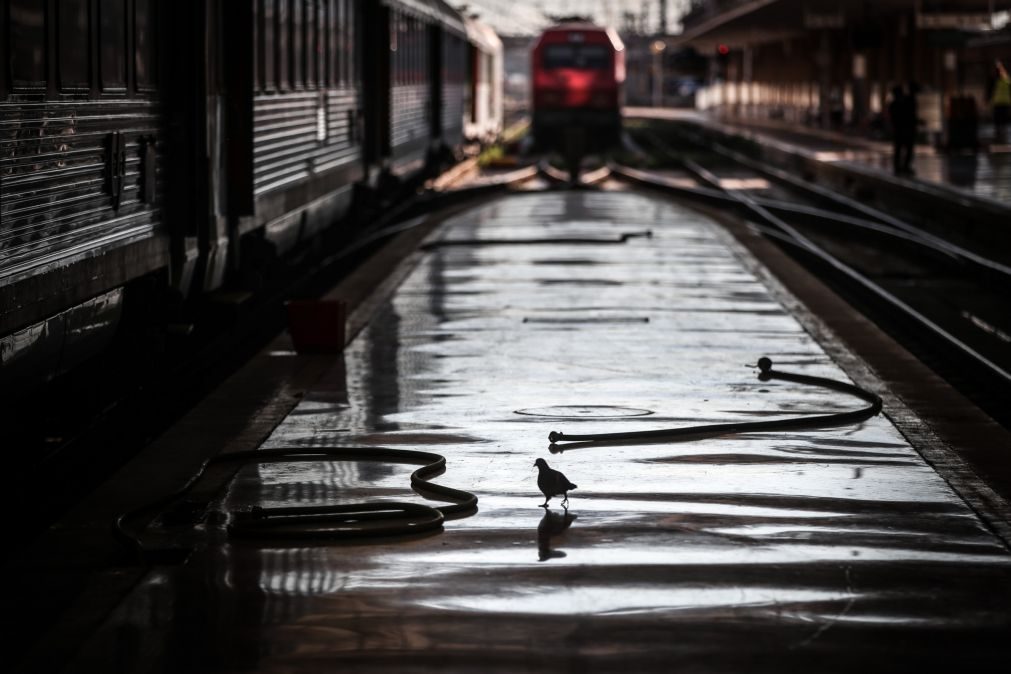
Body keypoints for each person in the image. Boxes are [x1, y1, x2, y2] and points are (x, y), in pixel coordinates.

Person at [888, 85, 916, 176]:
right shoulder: (902, 103)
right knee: (904, 149)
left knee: (901, 149)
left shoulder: (895, 104)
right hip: (903, 129)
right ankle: (902, 166)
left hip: (900, 130)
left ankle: (901, 166)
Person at [992, 60, 1010, 144]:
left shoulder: (1005, 80)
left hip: (1004, 103)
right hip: (998, 103)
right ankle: (999, 135)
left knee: (1003, 120)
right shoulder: (996, 80)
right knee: (998, 120)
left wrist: (1000, 67)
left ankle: (1002, 135)